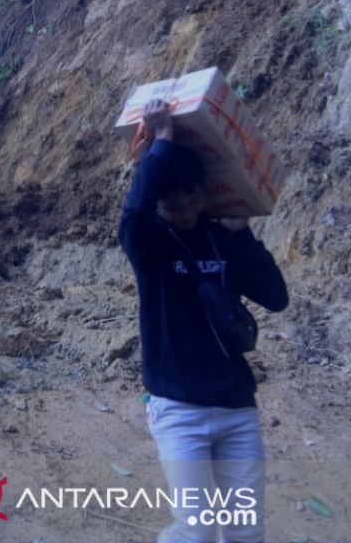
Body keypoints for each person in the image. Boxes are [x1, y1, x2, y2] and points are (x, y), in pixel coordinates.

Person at [119, 98, 288, 543]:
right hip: (178, 409)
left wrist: (245, 236)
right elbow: (134, 212)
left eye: (194, 197)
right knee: (194, 530)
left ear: (204, 192)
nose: (188, 209)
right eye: (174, 203)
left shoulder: (223, 237)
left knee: (246, 532)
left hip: (236, 407)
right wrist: (162, 141)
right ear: (160, 204)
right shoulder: (150, 244)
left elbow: (276, 298)